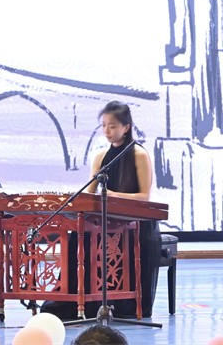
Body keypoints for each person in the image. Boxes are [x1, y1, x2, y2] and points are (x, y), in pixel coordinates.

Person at [41, 101, 163, 319]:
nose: (107, 131)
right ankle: (76, 301)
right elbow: (89, 195)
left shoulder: (138, 154)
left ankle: (120, 302)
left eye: (113, 126)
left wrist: (112, 195)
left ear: (126, 127)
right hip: (106, 222)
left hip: (135, 224)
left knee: (111, 238)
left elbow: (144, 196)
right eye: (104, 125)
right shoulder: (100, 157)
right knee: (78, 236)